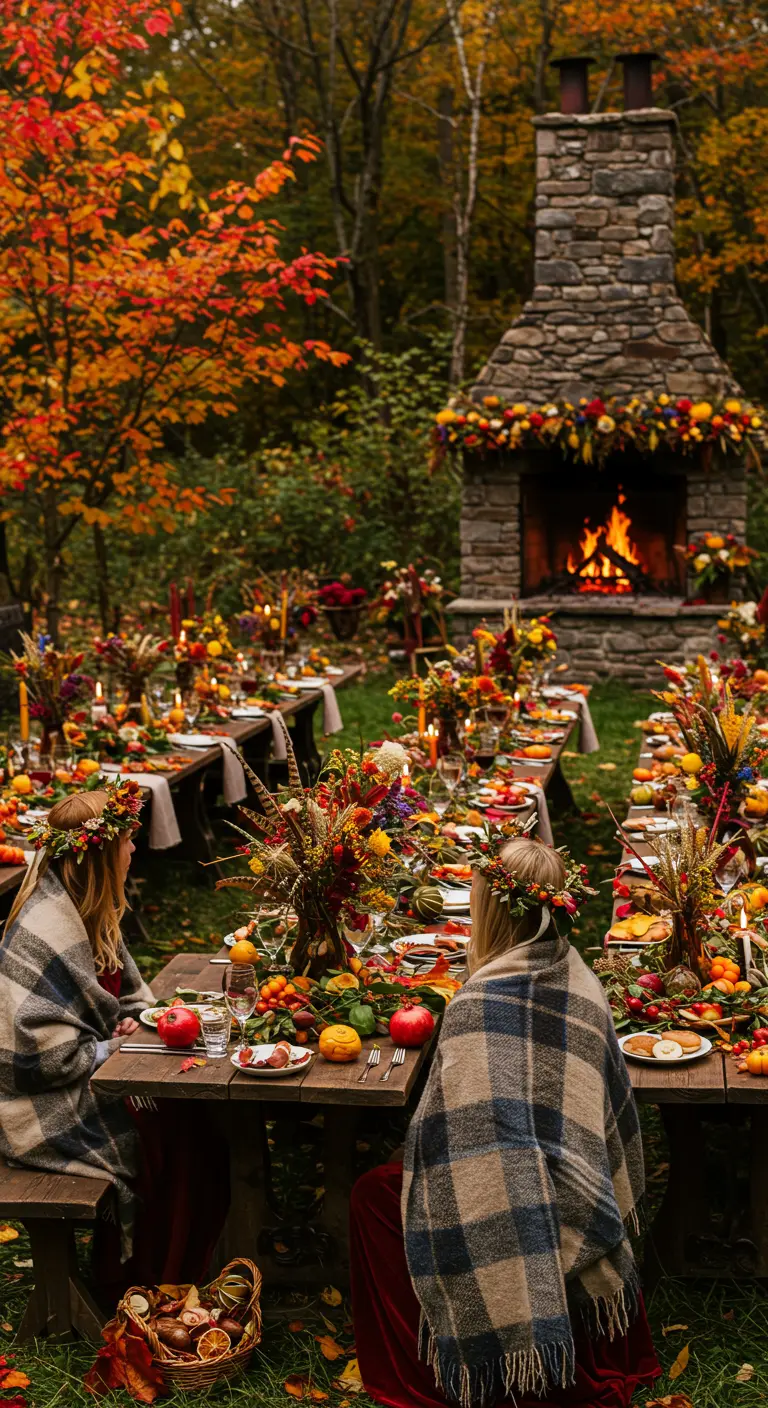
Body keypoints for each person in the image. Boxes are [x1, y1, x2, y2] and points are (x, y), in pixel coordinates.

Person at [350, 836, 660, 1408]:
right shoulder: (579, 975)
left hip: (527, 1210)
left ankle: (447, 1361)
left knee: (374, 1193)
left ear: (489, 912)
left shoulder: (478, 1003)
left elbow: (467, 1146)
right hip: (584, 1196)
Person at [0, 780, 228, 1294]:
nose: (133, 851)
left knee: (195, 1113)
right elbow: (35, 1059)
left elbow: (126, 995)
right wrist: (111, 1047)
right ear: (100, 857)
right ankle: (140, 1278)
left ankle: (191, 1260)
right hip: (38, 1106)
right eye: (126, 842)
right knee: (165, 1127)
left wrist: (133, 1021)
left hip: (87, 1073)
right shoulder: (47, 929)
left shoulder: (92, 908)